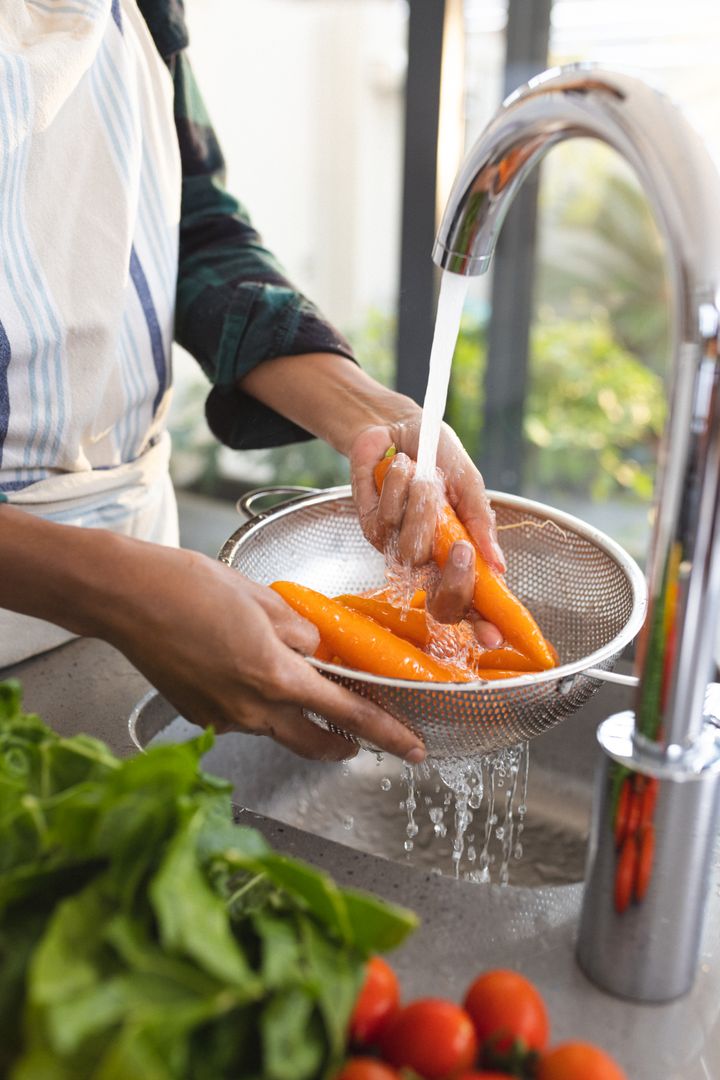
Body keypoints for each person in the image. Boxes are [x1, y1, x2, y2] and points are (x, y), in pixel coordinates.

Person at [0, 0, 504, 763]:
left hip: (149, 599)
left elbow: (195, 225)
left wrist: (372, 415)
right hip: (113, 590)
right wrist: (111, 587)